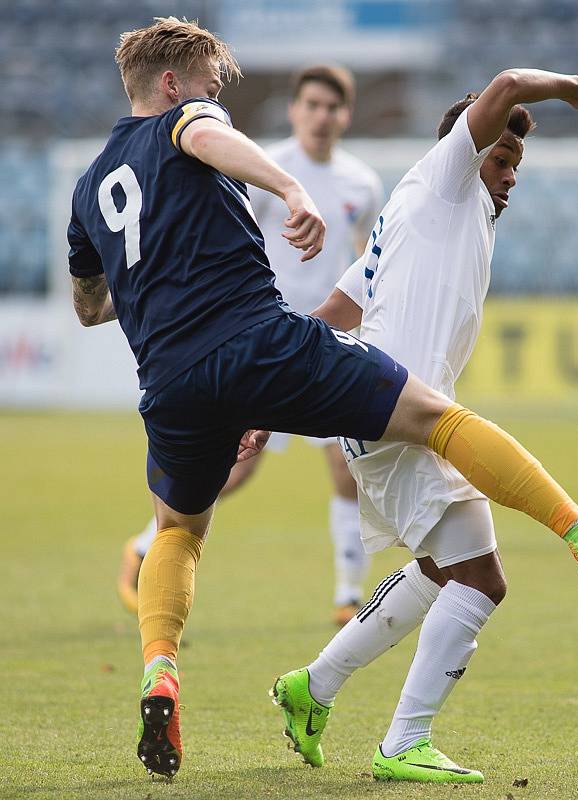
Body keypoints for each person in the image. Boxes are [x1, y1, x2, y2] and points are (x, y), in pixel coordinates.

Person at [69, 17, 578, 781]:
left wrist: (162, 284)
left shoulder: (90, 186)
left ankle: (219, 675)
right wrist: (289, 185)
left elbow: (90, 305)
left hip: (171, 381)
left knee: (187, 534)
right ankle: (576, 538)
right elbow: (201, 131)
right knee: (463, 512)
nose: (218, 95)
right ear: (171, 83)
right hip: (288, 354)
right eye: (210, 84)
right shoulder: (429, 167)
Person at [269, 71, 578, 784]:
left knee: (445, 570)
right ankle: (404, 740)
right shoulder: (443, 179)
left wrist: (267, 393)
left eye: (516, 165)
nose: (509, 176)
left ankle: (314, 686)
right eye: (499, 159)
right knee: (482, 579)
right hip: (391, 409)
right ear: (467, 149)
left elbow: (337, 307)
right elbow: (508, 82)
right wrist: (574, 89)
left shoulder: (419, 206)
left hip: (384, 407)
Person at [117, 63, 383, 626]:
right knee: (232, 469)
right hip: (257, 337)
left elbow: (365, 258)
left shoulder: (361, 182)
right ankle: (145, 546)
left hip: (321, 337)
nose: (321, 115)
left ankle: (346, 592)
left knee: (345, 466)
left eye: (332, 107)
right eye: (311, 104)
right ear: (294, 109)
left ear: (346, 115)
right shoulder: (264, 167)